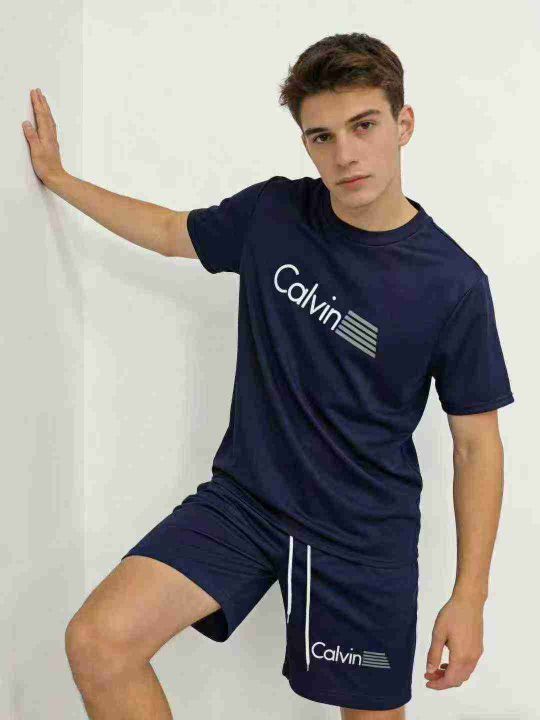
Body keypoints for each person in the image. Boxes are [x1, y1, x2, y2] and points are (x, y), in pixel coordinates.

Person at [22, 32, 514, 720]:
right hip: (247, 504)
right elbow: (169, 231)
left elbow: (476, 447)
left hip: (360, 538)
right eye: (321, 136)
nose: (345, 154)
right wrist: (60, 179)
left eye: (364, 126)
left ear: (403, 124)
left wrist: (470, 597)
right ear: (305, 143)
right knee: (98, 643)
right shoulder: (274, 214)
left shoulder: (453, 283)